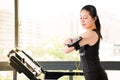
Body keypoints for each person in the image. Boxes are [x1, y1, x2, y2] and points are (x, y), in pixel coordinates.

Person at [64, 5, 108, 80]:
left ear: (94, 19)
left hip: (96, 76)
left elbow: (66, 50)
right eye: (80, 18)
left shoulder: (91, 35)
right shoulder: (86, 34)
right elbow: (67, 42)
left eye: (85, 18)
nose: (82, 20)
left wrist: (67, 42)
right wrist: (67, 42)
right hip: (92, 75)